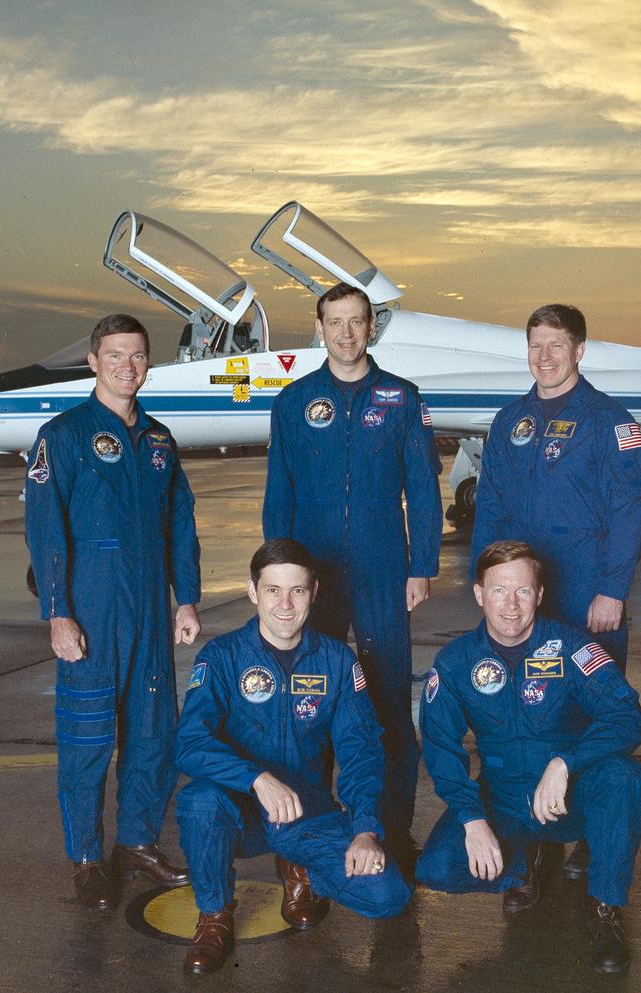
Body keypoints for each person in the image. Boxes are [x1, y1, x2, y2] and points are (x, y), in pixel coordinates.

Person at [24, 313, 200, 910]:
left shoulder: (158, 441)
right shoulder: (64, 435)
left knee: (153, 734)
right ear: (94, 362)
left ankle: (137, 843)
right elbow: (46, 530)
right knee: (87, 739)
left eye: (138, 356)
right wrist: (58, 613)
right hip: (93, 613)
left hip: (150, 612)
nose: (128, 366)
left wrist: (187, 598)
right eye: (116, 355)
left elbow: (181, 522)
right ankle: (86, 857)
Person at [262, 281, 442, 860]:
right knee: (307, 701)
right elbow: (279, 493)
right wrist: (276, 577)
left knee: (387, 703)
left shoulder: (401, 398)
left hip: (382, 571)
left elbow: (423, 488)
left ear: (371, 328)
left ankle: (392, 830)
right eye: (334, 322)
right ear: (319, 329)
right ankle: (310, 827)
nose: (345, 333)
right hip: (311, 577)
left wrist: (421, 566)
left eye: (356, 321)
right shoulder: (293, 402)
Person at [174, 539, 411, 975]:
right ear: (252, 591)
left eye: (297, 590)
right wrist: (255, 778)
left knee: (388, 896)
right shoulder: (222, 657)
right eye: (273, 590)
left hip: (306, 812)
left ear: (314, 592)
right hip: (241, 810)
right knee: (199, 802)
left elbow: (360, 752)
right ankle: (214, 915)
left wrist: (364, 830)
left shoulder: (336, 662)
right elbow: (189, 743)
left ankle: (301, 867)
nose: (285, 604)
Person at [416, 541, 641, 974]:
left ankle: (605, 907)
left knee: (623, 777)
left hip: (567, 798)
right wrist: (472, 820)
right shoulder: (456, 663)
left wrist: (566, 763)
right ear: (479, 594)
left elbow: (627, 716)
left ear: (539, 595)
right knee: (437, 867)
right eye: (499, 590)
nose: (511, 604)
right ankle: (524, 863)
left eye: (522, 590)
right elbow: (441, 750)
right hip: (503, 800)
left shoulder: (571, 648)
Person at [470, 302, 641, 672]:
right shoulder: (509, 421)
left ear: (579, 351)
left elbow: (631, 510)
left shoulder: (610, 421)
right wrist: (485, 581)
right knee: (524, 692)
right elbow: (490, 506)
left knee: (593, 694)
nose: (544, 357)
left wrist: (612, 591)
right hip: (520, 595)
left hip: (586, 592)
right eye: (536, 346)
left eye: (556, 346)